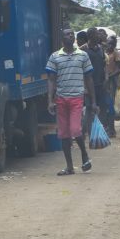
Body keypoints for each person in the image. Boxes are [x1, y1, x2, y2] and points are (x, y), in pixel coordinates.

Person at [46, 29, 94, 176]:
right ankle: (69, 167)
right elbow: (51, 80)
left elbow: (89, 79)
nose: (71, 36)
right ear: (62, 38)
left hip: (76, 97)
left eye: (72, 34)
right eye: (67, 34)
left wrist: (93, 101)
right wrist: (50, 100)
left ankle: (84, 154)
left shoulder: (83, 55)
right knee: (64, 134)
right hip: (61, 99)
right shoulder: (55, 57)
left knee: (75, 129)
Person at [81, 28, 110, 139]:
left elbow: (104, 65)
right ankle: (85, 133)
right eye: (97, 34)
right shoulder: (84, 50)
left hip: (100, 84)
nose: (99, 36)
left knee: (102, 108)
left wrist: (106, 78)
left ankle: (99, 133)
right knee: (89, 109)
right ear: (91, 36)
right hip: (89, 85)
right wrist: (85, 87)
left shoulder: (100, 49)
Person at [104, 35, 120, 138]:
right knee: (105, 105)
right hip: (104, 81)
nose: (110, 46)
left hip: (112, 82)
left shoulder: (115, 53)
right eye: (109, 43)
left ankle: (111, 129)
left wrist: (110, 75)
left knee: (110, 104)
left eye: (112, 44)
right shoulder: (104, 52)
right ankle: (107, 127)